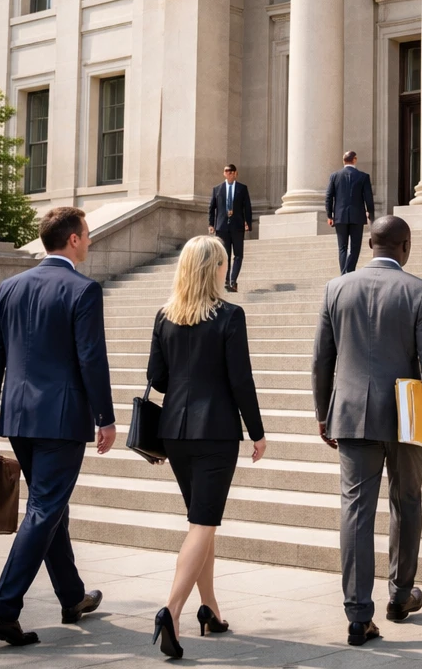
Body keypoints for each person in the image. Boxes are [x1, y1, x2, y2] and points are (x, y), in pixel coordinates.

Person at [0, 206, 116, 647]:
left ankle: (72, 596)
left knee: (51, 506)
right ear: (72, 239)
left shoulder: (10, 287)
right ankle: (2, 611)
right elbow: (92, 358)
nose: (89, 242)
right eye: (87, 235)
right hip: (60, 419)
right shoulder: (83, 289)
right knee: (45, 509)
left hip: (17, 416)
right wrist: (105, 417)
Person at [312, 216, 422, 647]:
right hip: (408, 417)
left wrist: (324, 413)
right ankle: (399, 596)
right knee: (406, 501)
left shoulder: (335, 288)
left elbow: (322, 359)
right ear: (405, 246)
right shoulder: (419, 291)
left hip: (352, 414)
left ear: (370, 244)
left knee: (355, 510)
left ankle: (358, 615)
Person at [147, 234, 266, 660]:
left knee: (203, 522)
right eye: (222, 264)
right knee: (203, 524)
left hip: (174, 432)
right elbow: (241, 381)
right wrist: (257, 430)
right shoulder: (230, 317)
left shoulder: (164, 317)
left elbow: (157, 378)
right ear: (214, 269)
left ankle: (210, 609)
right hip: (215, 432)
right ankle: (172, 610)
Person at [325, 151, 375, 275]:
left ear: (343, 160)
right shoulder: (363, 176)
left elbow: (328, 197)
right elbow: (368, 198)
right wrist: (371, 214)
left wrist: (329, 215)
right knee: (355, 247)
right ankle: (350, 270)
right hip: (357, 216)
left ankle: (344, 273)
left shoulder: (335, 176)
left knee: (342, 247)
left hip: (340, 216)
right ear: (355, 159)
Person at [208, 164, 252, 292]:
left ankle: (233, 280)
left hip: (237, 226)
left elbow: (247, 207)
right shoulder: (217, 189)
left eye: (232, 171)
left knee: (238, 255)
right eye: (227, 171)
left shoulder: (242, 188)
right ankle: (226, 280)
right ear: (224, 173)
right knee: (224, 255)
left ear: (236, 173)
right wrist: (211, 224)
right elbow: (212, 208)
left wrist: (247, 221)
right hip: (222, 227)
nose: (230, 173)